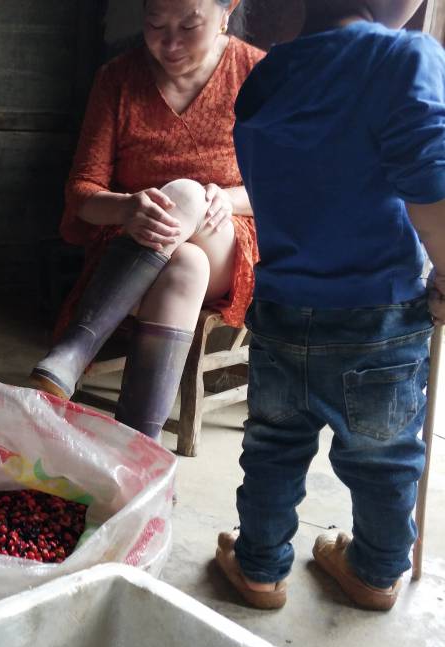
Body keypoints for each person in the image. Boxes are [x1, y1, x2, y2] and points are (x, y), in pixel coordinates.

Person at [215, 0, 445, 611]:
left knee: (273, 447)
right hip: (379, 319)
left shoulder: (264, 77)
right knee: (385, 458)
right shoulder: (405, 56)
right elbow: (431, 182)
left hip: (282, 312)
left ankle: (260, 570)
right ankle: (374, 572)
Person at [29, 0, 262, 441]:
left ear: (227, 11)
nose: (169, 43)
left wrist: (226, 198)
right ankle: (139, 450)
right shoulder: (118, 78)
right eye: (155, 25)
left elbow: (287, 185)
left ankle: (76, 349)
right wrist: (126, 209)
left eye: (189, 26)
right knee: (184, 266)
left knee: (188, 194)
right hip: (131, 247)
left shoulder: (256, 73)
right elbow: (82, 190)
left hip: (227, 240)